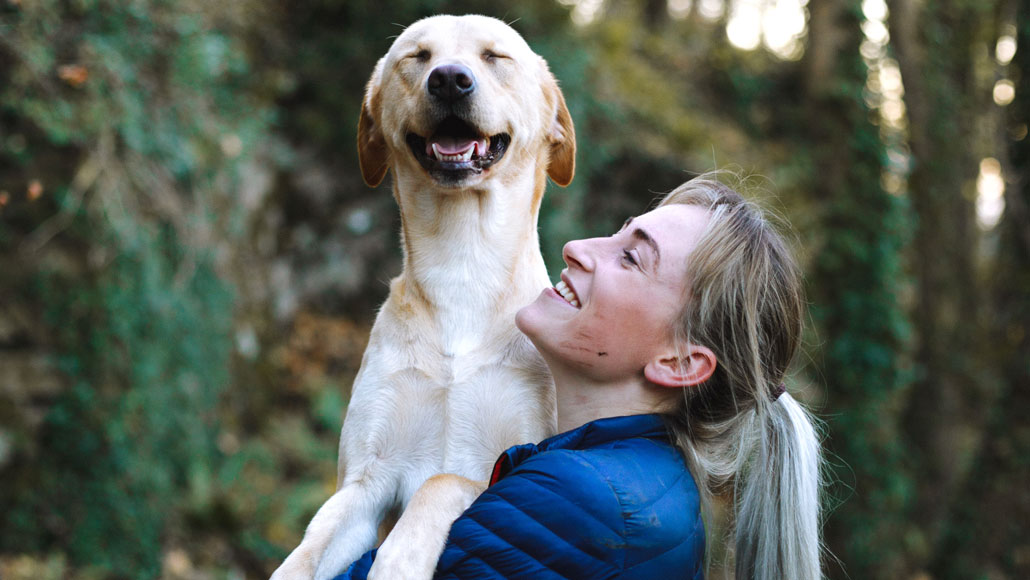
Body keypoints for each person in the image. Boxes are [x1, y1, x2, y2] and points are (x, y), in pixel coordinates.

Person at [335, 173, 822, 579]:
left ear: (679, 364)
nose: (575, 248)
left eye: (631, 258)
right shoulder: (644, 486)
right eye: (617, 233)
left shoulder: (579, 502)